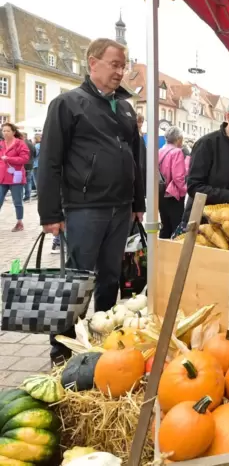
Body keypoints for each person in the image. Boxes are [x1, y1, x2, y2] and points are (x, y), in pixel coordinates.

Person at [37, 37, 146, 364]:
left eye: (123, 66)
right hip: (84, 208)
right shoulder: (68, 104)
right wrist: (49, 213)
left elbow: (135, 157)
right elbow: (50, 161)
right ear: (92, 63)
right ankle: (62, 343)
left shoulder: (125, 107)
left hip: (120, 208)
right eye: (114, 64)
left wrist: (137, 202)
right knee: (78, 277)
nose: (120, 72)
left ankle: (103, 333)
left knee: (111, 276)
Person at [0, 123, 30, 231]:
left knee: (17, 201)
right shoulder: (1, 144)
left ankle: (19, 222)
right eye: (3, 131)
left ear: (13, 132)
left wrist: (9, 159)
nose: (5, 133)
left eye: (8, 131)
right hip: (2, 177)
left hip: (15, 177)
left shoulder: (20, 144)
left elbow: (24, 159)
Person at [158, 126, 187, 238]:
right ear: (178, 139)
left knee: (165, 225)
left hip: (160, 192)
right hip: (173, 194)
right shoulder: (177, 152)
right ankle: (174, 252)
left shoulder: (159, 151)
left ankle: (162, 251)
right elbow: (178, 177)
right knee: (176, 226)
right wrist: (185, 190)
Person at [21, 132, 35, 202]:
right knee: (28, 181)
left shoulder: (22, 144)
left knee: (21, 181)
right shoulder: (31, 144)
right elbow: (34, 153)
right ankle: (27, 196)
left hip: (23, 164)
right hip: (30, 164)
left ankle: (24, 196)